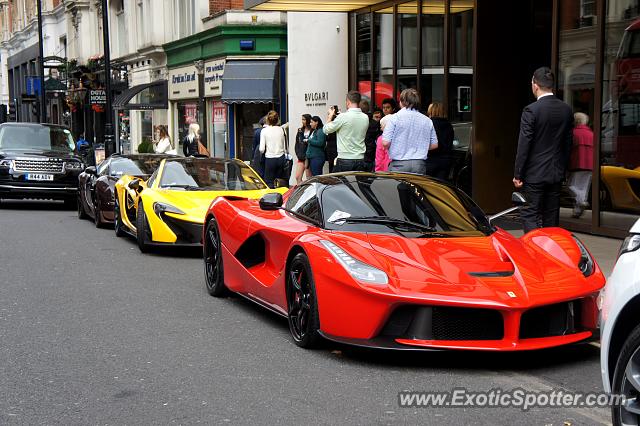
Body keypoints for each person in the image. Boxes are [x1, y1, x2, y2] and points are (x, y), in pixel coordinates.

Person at [513, 66, 573, 233]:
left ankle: (535, 252)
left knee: (529, 213)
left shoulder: (531, 110)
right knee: (551, 216)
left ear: (535, 85)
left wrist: (518, 173)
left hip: (534, 173)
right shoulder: (566, 110)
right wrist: (563, 169)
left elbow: (524, 144)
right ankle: (550, 252)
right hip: (555, 173)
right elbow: (568, 144)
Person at [381, 88, 438, 174]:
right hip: (419, 164)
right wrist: (420, 148)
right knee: (417, 187)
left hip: (398, 163)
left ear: (402, 101)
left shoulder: (394, 118)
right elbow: (434, 145)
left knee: (394, 187)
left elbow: (385, 143)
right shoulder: (427, 120)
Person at [323, 91, 369, 172]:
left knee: (338, 184)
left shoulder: (343, 117)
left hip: (345, 159)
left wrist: (330, 116)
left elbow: (326, 129)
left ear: (348, 102)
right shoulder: (365, 117)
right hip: (360, 159)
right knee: (357, 185)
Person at [568, 112, 594, 218]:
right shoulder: (592, 134)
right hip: (590, 165)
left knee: (571, 186)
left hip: (577, 163)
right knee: (583, 188)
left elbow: (567, 149)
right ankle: (577, 211)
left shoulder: (573, 133)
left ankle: (581, 201)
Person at [425, 102, 454, 180]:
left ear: (431, 111)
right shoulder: (449, 125)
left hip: (431, 159)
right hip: (445, 160)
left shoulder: (429, 123)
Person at [259, 110, 287, 188]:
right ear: (277, 119)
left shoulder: (264, 131)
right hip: (281, 158)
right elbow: (285, 147)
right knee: (280, 181)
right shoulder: (282, 129)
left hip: (270, 159)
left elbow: (261, 149)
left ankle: (271, 198)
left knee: (269, 181)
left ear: (267, 120)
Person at [360, 99, 382, 172]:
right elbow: (378, 139)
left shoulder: (358, 121)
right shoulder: (375, 123)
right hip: (371, 155)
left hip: (360, 155)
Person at [294, 114, 312, 184]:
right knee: (297, 176)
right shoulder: (300, 131)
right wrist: (298, 153)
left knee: (309, 178)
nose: (302, 121)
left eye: (304, 119)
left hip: (309, 157)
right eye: (302, 119)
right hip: (301, 157)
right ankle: (300, 192)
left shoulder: (312, 130)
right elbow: (297, 143)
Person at [325, 106, 339, 173]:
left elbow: (326, 132)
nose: (328, 115)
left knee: (333, 169)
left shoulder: (334, 123)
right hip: (331, 150)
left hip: (334, 150)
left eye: (329, 114)